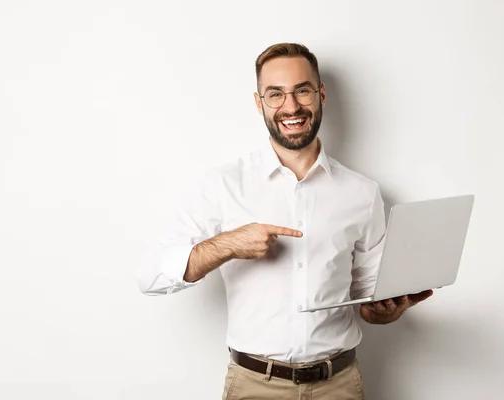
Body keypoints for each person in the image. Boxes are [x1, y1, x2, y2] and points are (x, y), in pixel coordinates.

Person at [138, 42, 434, 400]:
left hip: (338, 386)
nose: (291, 107)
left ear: (321, 94)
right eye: (275, 94)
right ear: (258, 102)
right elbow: (151, 276)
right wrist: (228, 244)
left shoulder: (362, 192)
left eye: (302, 91)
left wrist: (383, 312)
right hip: (253, 386)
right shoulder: (223, 185)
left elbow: (367, 296)